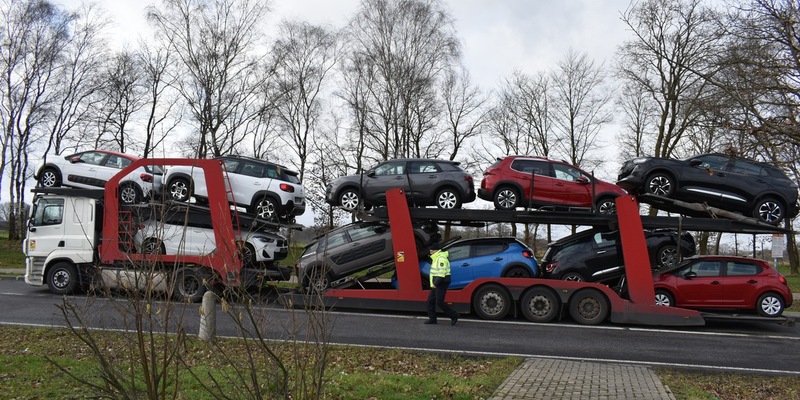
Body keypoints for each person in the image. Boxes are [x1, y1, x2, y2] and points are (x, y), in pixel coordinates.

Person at [425, 242, 459, 325]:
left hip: (442, 282)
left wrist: (435, 283)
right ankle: (432, 319)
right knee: (430, 300)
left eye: (431, 250)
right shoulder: (436, 258)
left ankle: (454, 315)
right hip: (437, 282)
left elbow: (441, 273)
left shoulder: (441, 258)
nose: (430, 251)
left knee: (439, 302)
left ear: (435, 251)